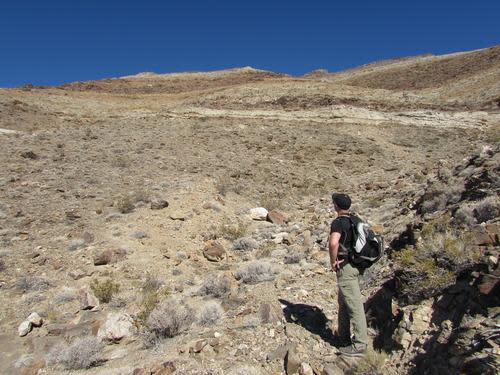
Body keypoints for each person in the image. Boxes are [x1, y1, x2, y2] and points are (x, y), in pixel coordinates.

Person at [328, 193, 368, 357]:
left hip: (345, 267)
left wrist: (332, 261)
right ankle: (343, 338)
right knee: (344, 302)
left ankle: (360, 345)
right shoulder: (356, 220)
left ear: (337, 206)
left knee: (354, 305)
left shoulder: (338, 222)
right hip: (356, 265)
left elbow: (333, 242)